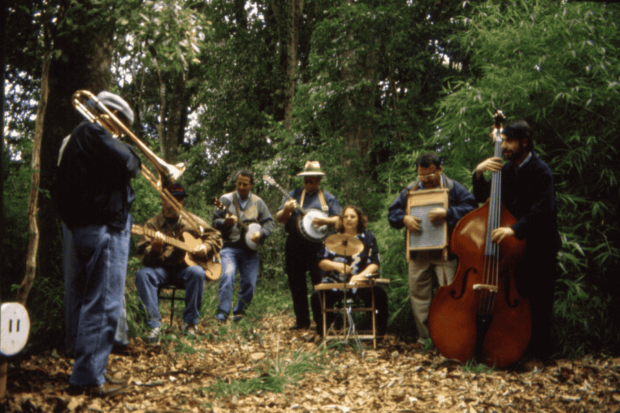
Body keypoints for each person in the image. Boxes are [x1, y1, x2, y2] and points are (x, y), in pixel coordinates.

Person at [54, 91, 140, 397]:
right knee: (104, 304)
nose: (121, 132)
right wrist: (134, 152)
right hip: (104, 227)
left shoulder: (84, 140)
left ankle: (87, 373)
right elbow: (129, 162)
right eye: (122, 124)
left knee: (94, 300)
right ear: (111, 115)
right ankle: (88, 378)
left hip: (90, 226)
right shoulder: (92, 131)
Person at [473, 120, 561, 370]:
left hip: (539, 246)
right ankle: (515, 350)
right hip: (514, 249)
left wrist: (514, 228)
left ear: (524, 141)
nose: (505, 147)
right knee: (519, 298)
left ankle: (539, 356)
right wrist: (479, 172)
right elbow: (483, 199)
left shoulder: (541, 170)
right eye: (503, 142)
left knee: (540, 301)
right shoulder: (507, 171)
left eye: (509, 141)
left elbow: (544, 209)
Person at [388, 152, 477, 348]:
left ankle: (450, 338)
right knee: (419, 295)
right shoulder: (410, 190)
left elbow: (471, 207)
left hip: (445, 251)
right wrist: (405, 219)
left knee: (449, 293)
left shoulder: (453, 188)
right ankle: (425, 340)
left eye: (430, 176)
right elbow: (392, 213)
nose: (426, 180)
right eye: (421, 176)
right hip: (418, 253)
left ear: (439, 170)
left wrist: (448, 213)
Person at [136, 183, 222, 342]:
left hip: (185, 270)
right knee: (143, 274)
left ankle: (189, 324)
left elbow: (215, 236)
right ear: (162, 199)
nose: (173, 204)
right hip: (161, 270)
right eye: (170, 200)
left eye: (178, 200)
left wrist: (205, 246)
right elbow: (144, 258)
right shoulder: (151, 225)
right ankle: (154, 326)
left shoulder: (193, 221)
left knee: (197, 272)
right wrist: (154, 249)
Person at [276, 161, 342, 330]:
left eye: (311, 179)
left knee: (319, 281)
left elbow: (340, 220)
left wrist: (325, 220)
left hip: (318, 246)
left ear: (319, 180)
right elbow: (279, 218)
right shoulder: (293, 195)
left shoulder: (327, 198)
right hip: (295, 244)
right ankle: (302, 320)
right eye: (306, 179)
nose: (308, 181)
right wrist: (286, 211)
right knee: (296, 282)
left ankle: (323, 320)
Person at [310, 205, 389, 336]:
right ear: (341, 219)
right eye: (345, 216)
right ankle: (324, 331)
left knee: (379, 294)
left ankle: (378, 332)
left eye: (353, 216)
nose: (349, 219)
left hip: (361, 281)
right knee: (316, 296)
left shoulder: (368, 237)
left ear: (359, 219)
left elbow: (374, 263)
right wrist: (336, 266)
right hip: (335, 281)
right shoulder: (332, 238)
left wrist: (361, 276)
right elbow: (321, 262)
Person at [212, 170, 275, 322]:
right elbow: (215, 222)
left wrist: (262, 234)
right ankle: (223, 312)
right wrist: (225, 222)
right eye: (239, 183)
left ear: (251, 185)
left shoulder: (258, 202)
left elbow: (269, 222)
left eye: (245, 184)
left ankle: (239, 312)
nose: (241, 186)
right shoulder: (225, 200)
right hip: (229, 246)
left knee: (249, 283)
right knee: (227, 275)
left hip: (250, 250)